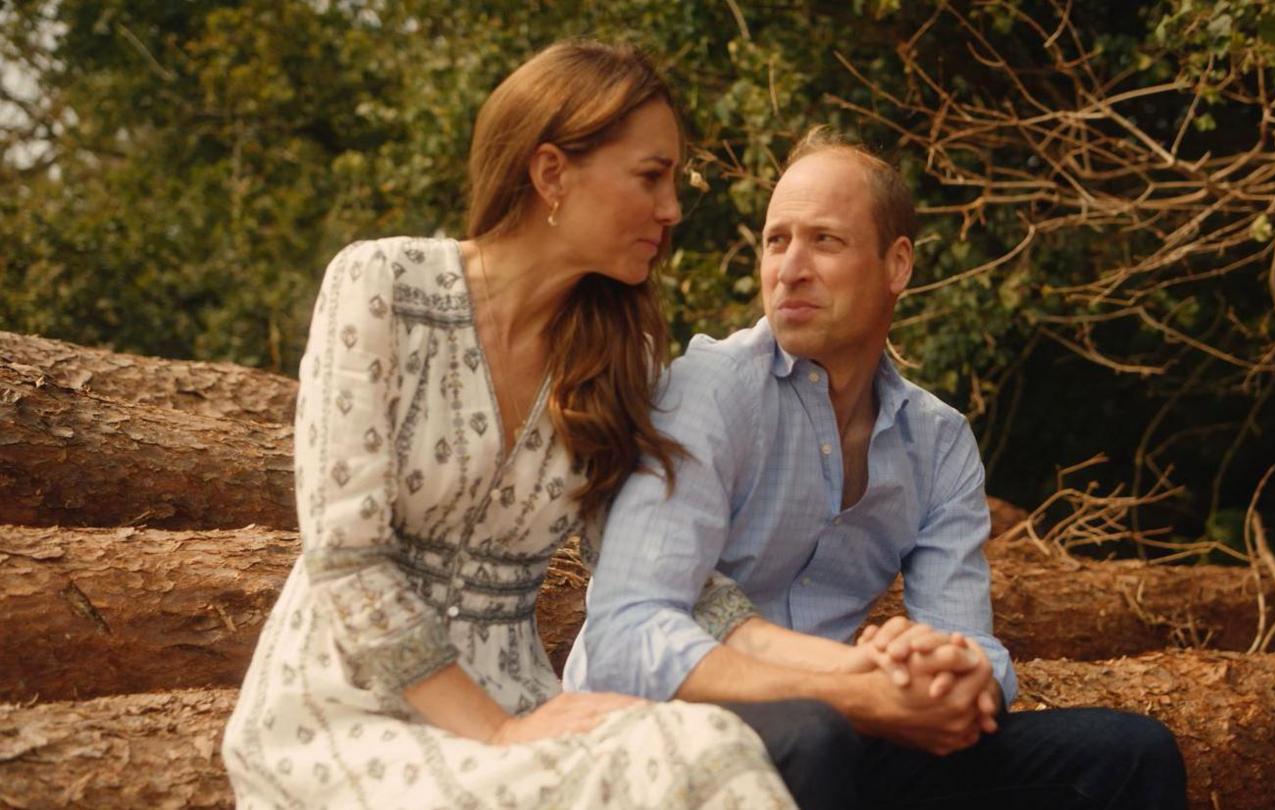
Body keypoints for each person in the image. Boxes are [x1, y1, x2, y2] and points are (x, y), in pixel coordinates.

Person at [221, 40, 798, 809]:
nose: (672, 209)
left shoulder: (624, 355)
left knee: (712, 747)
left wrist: (838, 672)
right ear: (552, 171)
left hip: (518, 706)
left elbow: (652, 565)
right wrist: (493, 731)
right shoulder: (381, 284)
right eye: (651, 177)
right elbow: (345, 557)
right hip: (337, 715)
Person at [567, 127, 1189, 809]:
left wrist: (954, 675)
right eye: (777, 241)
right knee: (815, 733)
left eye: (824, 241)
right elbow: (626, 635)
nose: (790, 268)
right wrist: (852, 689)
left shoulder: (938, 441)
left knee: (1128, 756)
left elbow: (971, 641)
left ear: (897, 266)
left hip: (851, 732)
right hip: (669, 740)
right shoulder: (710, 391)